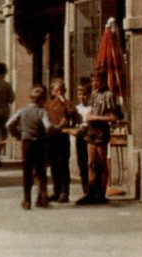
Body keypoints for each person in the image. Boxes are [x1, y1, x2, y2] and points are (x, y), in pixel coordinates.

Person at [7, 85, 53, 209]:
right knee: (40, 172)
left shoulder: (22, 111)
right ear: (42, 99)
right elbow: (48, 126)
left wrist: (17, 134)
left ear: (31, 98)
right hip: (38, 143)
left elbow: (9, 124)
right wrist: (45, 135)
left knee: (27, 172)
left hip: (26, 144)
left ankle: (27, 201)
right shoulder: (42, 111)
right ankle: (42, 198)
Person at [76, 68, 117, 205]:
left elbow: (113, 117)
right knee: (91, 163)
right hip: (91, 130)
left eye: (97, 80)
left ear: (104, 80)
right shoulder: (93, 95)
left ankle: (101, 193)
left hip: (100, 130)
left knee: (101, 162)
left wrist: (96, 117)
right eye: (93, 80)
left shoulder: (109, 95)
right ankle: (91, 192)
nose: (95, 83)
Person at [46, 78, 76, 202]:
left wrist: (65, 102)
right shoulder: (49, 104)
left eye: (62, 90)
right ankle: (56, 190)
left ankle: (65, 192)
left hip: (63, 137)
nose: (60, 93)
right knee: (54, 165)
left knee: (63, 164)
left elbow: (72, 113)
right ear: (52, 92)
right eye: (57, 90)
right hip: (52, 137)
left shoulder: (67, 103)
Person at [74, 79, 92, 196]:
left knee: (91, 162)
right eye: (80, 94)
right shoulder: (76, 109)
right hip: (80, 136)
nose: (82, 97)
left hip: (90, 135)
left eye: (85, 94)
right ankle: (85, 187)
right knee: (82, 162)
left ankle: (92, 186)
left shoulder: (91, 108)